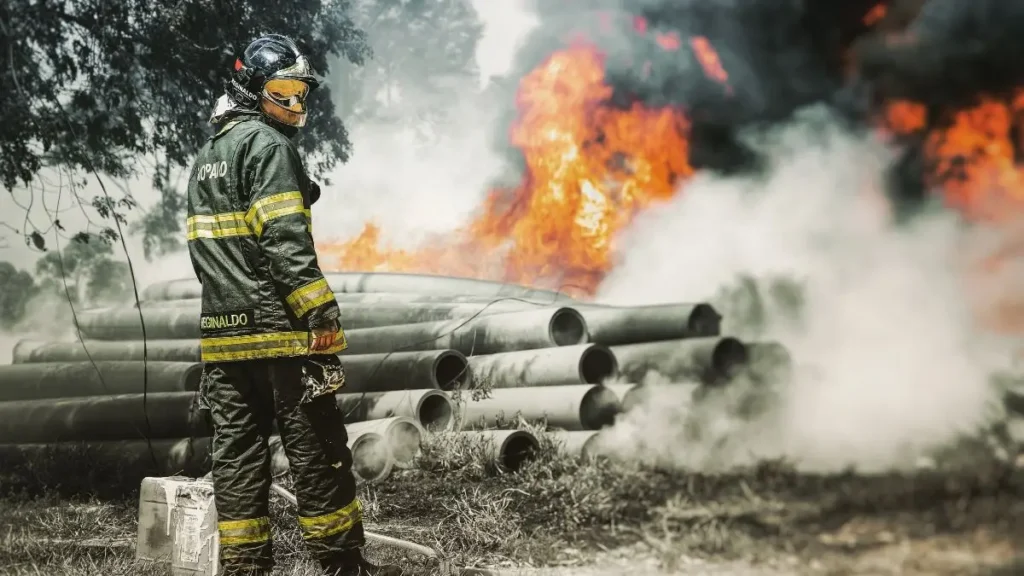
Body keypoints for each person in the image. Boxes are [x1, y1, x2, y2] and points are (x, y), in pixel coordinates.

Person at [186, 33, 402, 576]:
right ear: (252, 89)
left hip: (223, 336)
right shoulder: (268, 146)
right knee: (317, 449)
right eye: (283, 90)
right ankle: (342, 566)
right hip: (280, 335)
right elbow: (283, 240)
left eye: (301, 92)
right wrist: (319, 309)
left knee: (236, 458)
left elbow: (208, 253)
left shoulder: (208, 156)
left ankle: (244, 568)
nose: (295, 103)